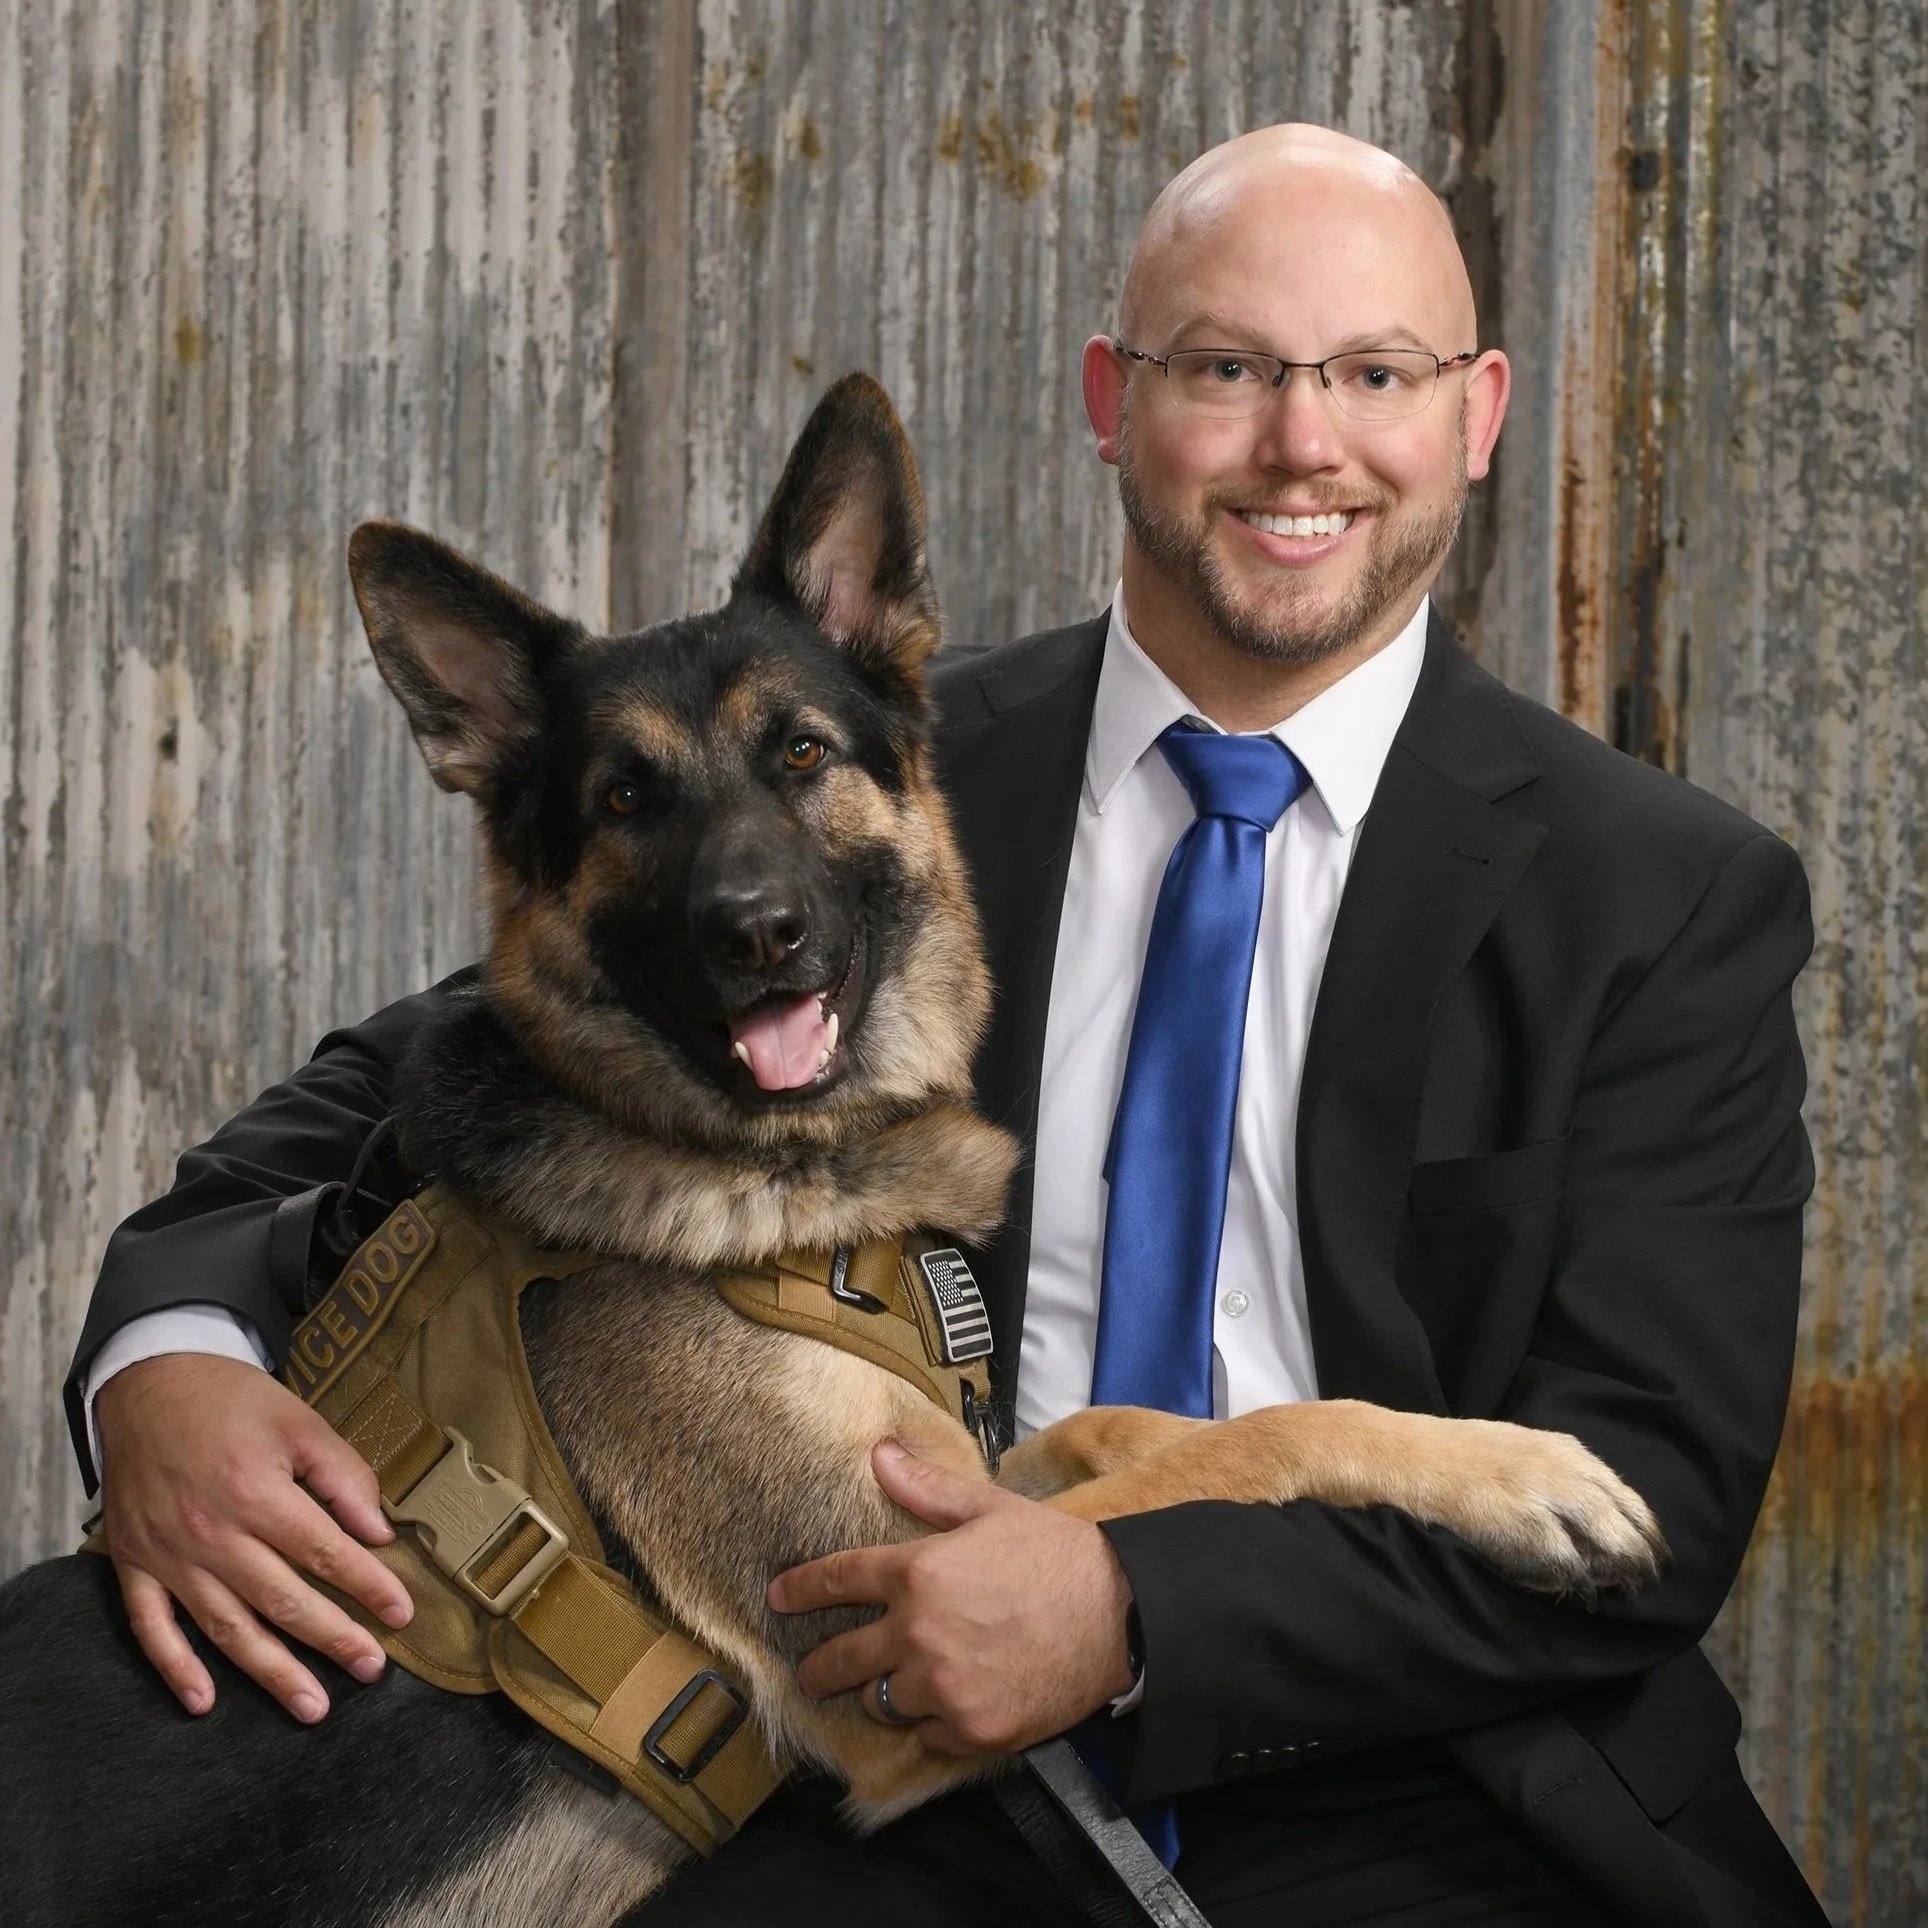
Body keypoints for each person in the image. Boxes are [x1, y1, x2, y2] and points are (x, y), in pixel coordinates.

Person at [64, 125, 1827, 1927]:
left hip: (1426, 1773)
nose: (1305, 440)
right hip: (868, 1783)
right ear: (1110, 400)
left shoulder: (1663, 896)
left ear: (1478, 410)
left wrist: (1133, 1615)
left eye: (1377, 372)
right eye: (1225, 368)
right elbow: (408, 1081)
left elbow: (1649, 1505)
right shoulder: (854, 780)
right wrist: (171, 1355)